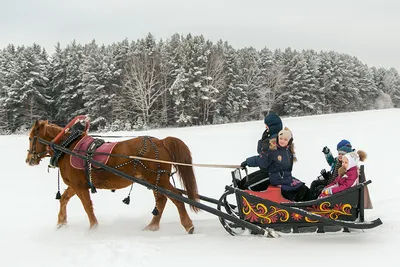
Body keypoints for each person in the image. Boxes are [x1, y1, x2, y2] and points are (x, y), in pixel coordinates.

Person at [240, 128, 310, 202]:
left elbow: (262, 161)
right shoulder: (283, 150)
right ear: (277, 138)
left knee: (248, 187)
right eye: (281, 138)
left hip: (278, 179)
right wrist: (248, 161)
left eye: (285, 139)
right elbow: (262, 159)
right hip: (279, 177)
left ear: (289, 141)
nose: (282, 141)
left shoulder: (279, 151)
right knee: (249, 183)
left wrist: (247, 162)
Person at [237, 112, 283, 191]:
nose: (266, 127)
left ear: (273, 127)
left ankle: (251, 203)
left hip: (275, 175)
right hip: (267, 171)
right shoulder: (272, 137)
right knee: (244, 181)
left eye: (267, 125)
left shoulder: (275, 141)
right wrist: (263, 140)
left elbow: (264, 160)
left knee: (248, 187)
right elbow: (261, 152)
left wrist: (248, 162)